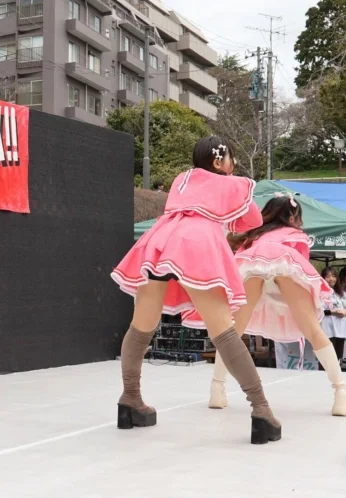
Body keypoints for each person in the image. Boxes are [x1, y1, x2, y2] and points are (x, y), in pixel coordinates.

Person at [110, 136, 282, 444]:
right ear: (218, 162)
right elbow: (252, 219)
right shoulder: (232, 183)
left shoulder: (182, 178)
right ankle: (261, 410)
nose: (234, 163)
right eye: (230, 158)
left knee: (141, 327)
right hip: (196, 242)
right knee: (224, 332)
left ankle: (130, 397)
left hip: (159, 239)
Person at [181, 193, 346, 417]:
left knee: (232, 332)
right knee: (312, 329)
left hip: (253, 264)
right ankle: (340, 392)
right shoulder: (294, 235)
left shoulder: (254, 236)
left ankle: (217, 387)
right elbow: (301, 262)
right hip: (286, 262)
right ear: (292, 216)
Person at [320, 266, 346, 363]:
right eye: (328, 276)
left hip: (340, 328)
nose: (331, 279)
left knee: (338, 357)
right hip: (327, 328)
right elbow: (318, 310)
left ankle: (337, 376)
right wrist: (333, 312)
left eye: (333, 276)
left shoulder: (341, 293)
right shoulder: (319, 293)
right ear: (323, 278)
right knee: (326, 357)